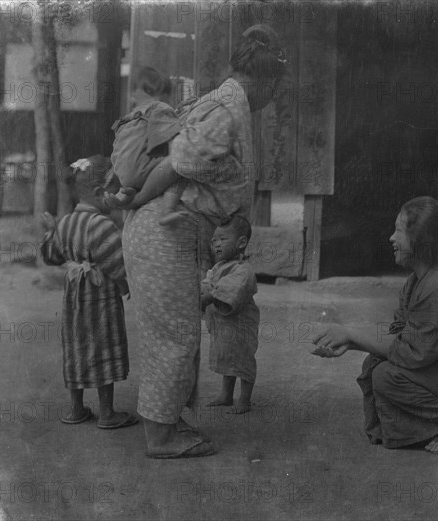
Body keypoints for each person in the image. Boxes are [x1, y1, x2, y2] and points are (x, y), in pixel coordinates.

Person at [120, 24, 287, 458]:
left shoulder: (228, 104)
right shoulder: (226, 109)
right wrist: (137, 198)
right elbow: (175, 166)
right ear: (266, 81)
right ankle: (160, 437)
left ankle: (170, 421)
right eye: (275, 88)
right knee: (173, 336)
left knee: (179, 334)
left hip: (176, 231)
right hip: (163, 230)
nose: (273, 98)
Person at [312, 196, 438, 455]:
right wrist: (349, 343)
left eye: (398, 230)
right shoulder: (417, 281)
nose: (391, 238)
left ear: (421, 241)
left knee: (388, 375)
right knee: (377, 364)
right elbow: (402, 340)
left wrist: (351, 334)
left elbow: (412, 354)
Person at [40, 155, 138, 430]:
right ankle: (107, 414)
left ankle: (76, 409)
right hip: (101, 299)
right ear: (98, 193)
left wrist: (50, 232)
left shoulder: (66, 223)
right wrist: (126, 283)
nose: (116, 197)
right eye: (113, 191)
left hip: (74, 300)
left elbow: (51, 256)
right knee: (103, 345)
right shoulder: (102, 225)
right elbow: (116, 262)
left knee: (77, 346)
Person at [109, 66, 190, 225]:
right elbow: (175, 140)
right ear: (164, 94)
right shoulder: (161, 107)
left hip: (123, 175)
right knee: (181, 164)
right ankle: (167, 211)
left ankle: (125, 195)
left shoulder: (130, 117)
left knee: (145, 163)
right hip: (141, 170)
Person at [201, 216, 259, 414]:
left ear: (241, 242)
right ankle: (226, 395)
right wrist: (202, 290)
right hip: (224, 323)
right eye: (214, 240)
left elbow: (230, 289)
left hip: (240, 325)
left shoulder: (244, 270)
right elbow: (208, 283)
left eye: (223, 239)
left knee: (242, 359)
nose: (216, 244)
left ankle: (244, 399)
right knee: (227, 359)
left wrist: (208, 296)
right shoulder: (218, 267)